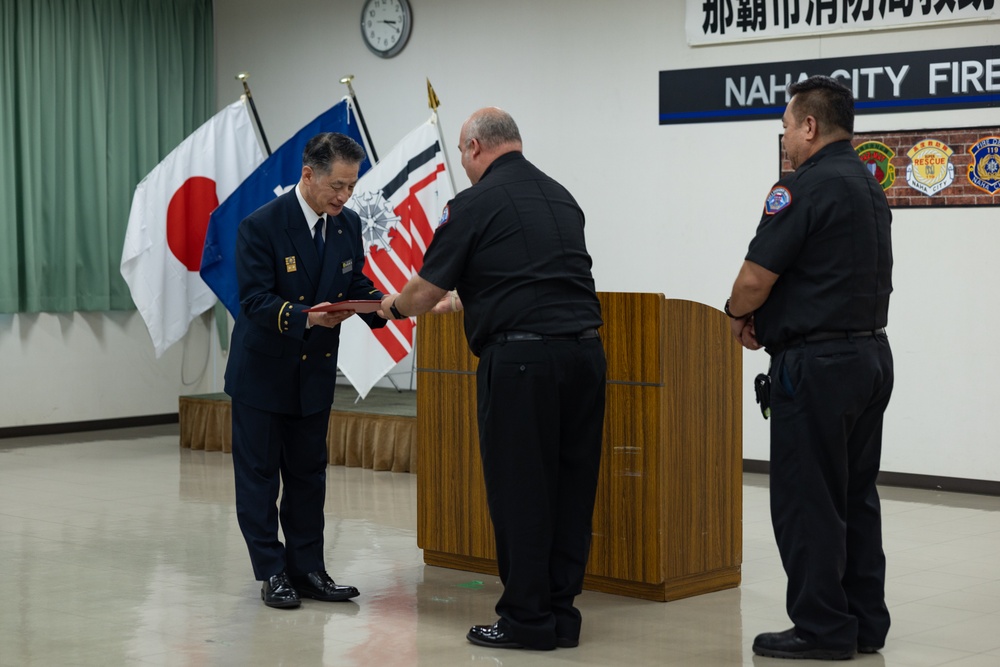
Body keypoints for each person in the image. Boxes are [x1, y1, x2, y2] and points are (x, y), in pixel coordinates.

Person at [379, 107, 606, 650]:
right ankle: (560, 616)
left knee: (522, 491)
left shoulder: (473, 204)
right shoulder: (560, 196)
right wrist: (473, 299)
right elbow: (529, 274)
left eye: (461, 152)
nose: (462, 161)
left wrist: (391, 306)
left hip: (523, 366)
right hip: (586, 358)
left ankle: (526, 622)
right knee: (572, 490)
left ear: (476, 147)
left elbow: (423, 292)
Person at [726, 76, 894, 660]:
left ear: (809, 126)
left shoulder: (803, 187)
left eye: (786, 129)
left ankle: (822, 629)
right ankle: (864, 623)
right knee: (854, 497)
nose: (785, 141)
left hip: (818, 366)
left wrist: (736, 315)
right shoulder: (869, 186)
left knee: (808, 498)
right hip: (871, 357)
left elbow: (753, 279)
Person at [225, 132, 385, 609]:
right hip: (263, 375)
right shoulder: (262, 226)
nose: (344, 196)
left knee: (308, 477)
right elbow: (253, 301)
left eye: (352, 186)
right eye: (337, 186)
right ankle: (272, 572)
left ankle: (308, 568)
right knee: (259, 478)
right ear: (308, 174)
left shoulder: (347, 224)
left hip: (313, 373)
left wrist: (390, 306)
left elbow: (352, 280)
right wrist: (307, 317)